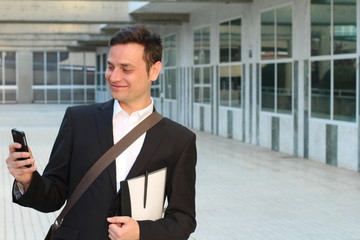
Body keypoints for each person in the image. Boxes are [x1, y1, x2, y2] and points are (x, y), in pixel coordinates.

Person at [6, 24, 197, 240]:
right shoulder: (78, 120)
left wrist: (141, 232)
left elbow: (183, 219)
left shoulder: (179, 139)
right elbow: (54, 195)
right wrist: (27, 180)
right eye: (110, 67)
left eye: (126, 69)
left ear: (154, 70)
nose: (114, 77)